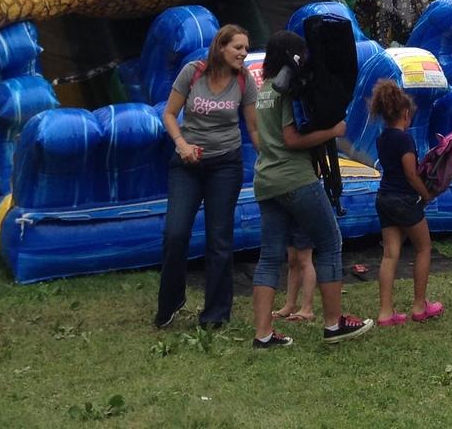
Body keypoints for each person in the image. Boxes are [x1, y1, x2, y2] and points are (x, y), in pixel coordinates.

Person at [249, 30, 371, 348]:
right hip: (294, 178)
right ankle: (334, 325)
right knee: (330, 242)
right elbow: (292, 139)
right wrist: (333, 130)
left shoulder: (263, 89)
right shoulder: (286, 91)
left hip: (265, 180)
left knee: (268, 256)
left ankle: (262, 334)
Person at [155, 23, 258, 329]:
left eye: (247, 49)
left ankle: (215, 315)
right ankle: (170, 303)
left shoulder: (244, 81)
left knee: (219, 240)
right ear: (221, 47)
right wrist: (182, 144)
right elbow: (169, 114)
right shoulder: (193, 72)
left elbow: (253, 128)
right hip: (187, 165)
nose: (243, 53)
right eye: (238, 47)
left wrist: (272, 155)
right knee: (175, 233)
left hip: (225, 166)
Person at [370, 79, 440, 326]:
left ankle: (385, 311)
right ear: (406, 114)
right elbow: (410, 173)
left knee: (390, 254)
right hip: (404, 199)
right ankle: (420, 305)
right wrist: (427, 193)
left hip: (384, 197)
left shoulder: (382, 139)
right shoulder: (404, 140)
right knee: (423, 248)